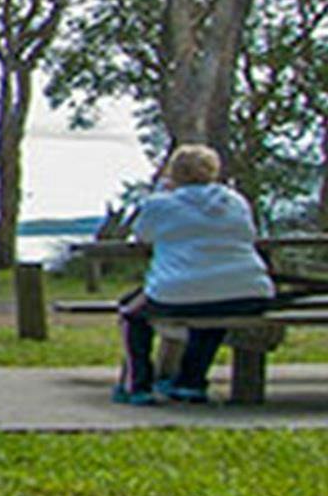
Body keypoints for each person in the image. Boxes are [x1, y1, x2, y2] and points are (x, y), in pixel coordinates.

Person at [115, 144, 275, 405]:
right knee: (215, 311)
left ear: (173, 172)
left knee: (130, 314)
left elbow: (142, 234)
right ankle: (190, 382)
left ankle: (138, 385)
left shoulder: (160, 204)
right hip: (250, 291)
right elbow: (249, 234)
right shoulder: (235, 201)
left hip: (179, 290)